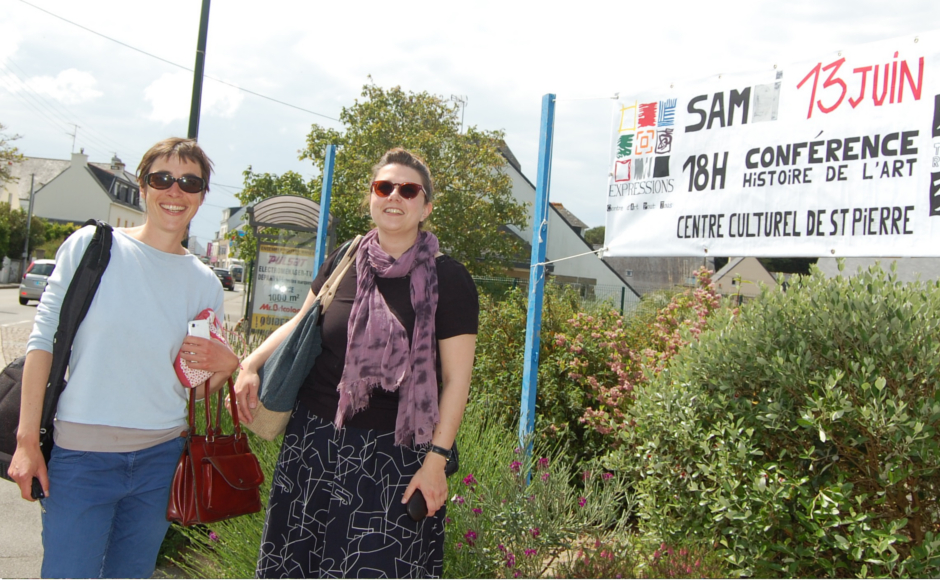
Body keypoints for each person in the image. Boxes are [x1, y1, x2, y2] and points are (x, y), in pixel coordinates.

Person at [234, 148, 478, 578]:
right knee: (297, 565)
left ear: (426, 206)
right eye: (384, 187)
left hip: (394, 458)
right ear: (370, 197)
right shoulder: (345, 259)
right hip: (313, 444)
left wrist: (436, 462)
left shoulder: (450, 279)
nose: (394, 197)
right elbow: (300, 324)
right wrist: (251, 363)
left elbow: (457, 380)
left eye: (408, 189)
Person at [7, 137, 239, 579]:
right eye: (162, 179)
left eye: (190, 182)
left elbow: (194, 385)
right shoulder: (93, 248)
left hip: (160, 460)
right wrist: (26, 442)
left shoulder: (204, 282)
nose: (175, 191)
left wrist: (226, 368)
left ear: (202, 196)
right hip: (80, 459)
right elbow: (43, 344)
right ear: (142, 185)